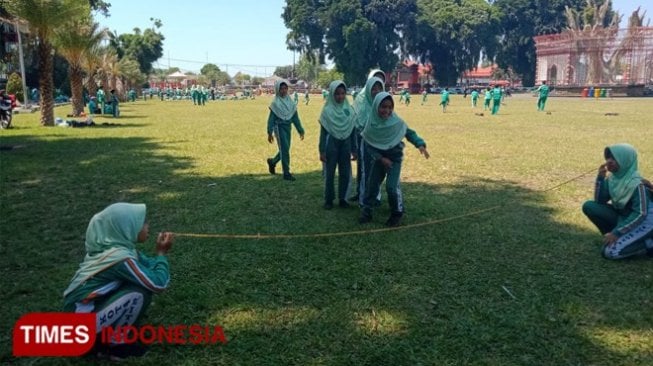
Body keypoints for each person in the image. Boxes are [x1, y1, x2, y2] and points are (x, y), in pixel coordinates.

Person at [63, 203, 174, 360]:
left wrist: (157, 256)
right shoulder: (120, 259)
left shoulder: (118, 250)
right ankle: (116, 346)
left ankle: (104, 337)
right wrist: (161, 254)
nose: (147, 225)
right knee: (139, 292)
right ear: (126, 228)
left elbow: (148, 264)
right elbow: (157, 284)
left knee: (137, 284)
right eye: (142, 222)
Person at [359, 92, 430, 227]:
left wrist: (420, 144)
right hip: (379, 160)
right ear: (376, 107)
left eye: (390, 107)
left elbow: (409, 133)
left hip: (394, 160)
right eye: (383, 107)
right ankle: (366, 210)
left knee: (392, 187)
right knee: (372, 185)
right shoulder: (371, 124)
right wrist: (381, 158)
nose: (387, 110)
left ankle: (397, 213)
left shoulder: (396, 122)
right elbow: (369, 146)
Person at [582, 144, 653, 259]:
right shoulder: (613, 179)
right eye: (608, 157)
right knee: (590, 206)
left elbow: (641, 214)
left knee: (610, 252)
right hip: (625, 217)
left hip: (645, 222)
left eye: (614, 158)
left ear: (625, 161)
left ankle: (649, 243)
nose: (609, 161)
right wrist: (600, 178)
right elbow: (600, 201)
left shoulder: (637, 184)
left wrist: (617, 233)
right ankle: (611, 238)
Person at [319, 80, 357, 209]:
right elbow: (323, 133)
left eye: (342, 93)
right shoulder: (327, 111)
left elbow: (353, 131)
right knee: (329, 173)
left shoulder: (349, 110)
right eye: (337, 94)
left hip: (345, 144)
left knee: (345, 172)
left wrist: (354, 149)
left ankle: (343, 198)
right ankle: (329, 199)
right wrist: (322, 150)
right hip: (331, 144)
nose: (340, 96)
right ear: (331, 94)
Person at [352, 76, 385, 203]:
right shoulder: (362, 104)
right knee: (365, 170)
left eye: (379, 88)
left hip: (381, 144)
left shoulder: (384, 105)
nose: (376, 91)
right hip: (365, 143)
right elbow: (357, 125)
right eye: (373, 88)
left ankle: (375, 196)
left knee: (378, 171)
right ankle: (364, 200)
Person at [266, 79, 305, 181]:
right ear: (277, 90)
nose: (283, 91)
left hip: (288, 128)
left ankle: (273, 162)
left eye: (285, 88)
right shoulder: (275, 103)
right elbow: (271, 119)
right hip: (279, 128)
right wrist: (269, 132)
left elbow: (295, 118)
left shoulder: (290, 102)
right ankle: (286, 173)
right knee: (285, 150)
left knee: (285, 149)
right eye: (281, 89)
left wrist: (300, 130)